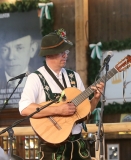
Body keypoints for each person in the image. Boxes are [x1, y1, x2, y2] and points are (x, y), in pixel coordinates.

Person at [19, 28, 104, 160]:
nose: (65, 55)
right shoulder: (36, 78)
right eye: (61, 52)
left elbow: (84, 112)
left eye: (66, 51)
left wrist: (95, 99)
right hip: (52, 146)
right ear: (49, 54)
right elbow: (24, 109)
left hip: (78, 145)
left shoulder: (73, 76)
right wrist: (58, 109)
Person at [0, 10, 42, 89]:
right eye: (4, 49)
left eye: (19, 48)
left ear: (32, 50)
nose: (11, 57)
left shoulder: (41, 80)